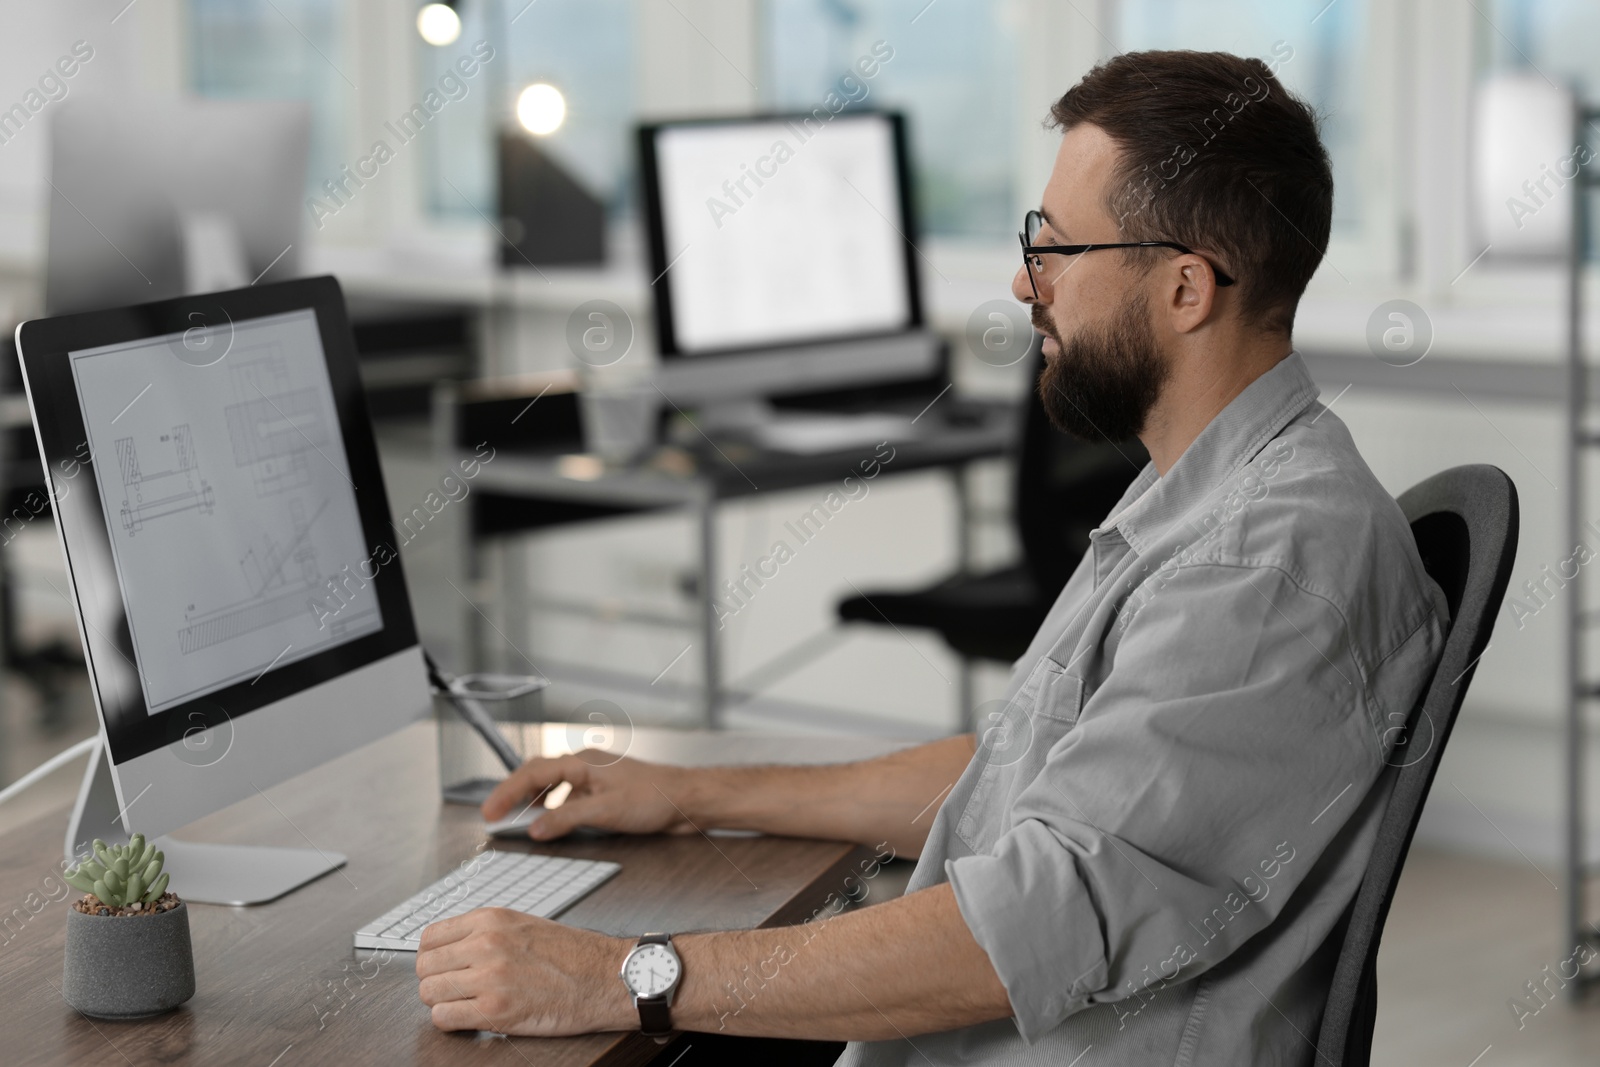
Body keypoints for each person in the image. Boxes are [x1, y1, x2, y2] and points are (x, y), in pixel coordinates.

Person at [415, 49, 1447, 1066]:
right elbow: (1009, 776)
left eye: (1056, 247)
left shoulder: (1258, 565)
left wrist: (620, 977)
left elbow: (1026, 929)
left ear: (1184, 289)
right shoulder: (1207, 493)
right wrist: (693, 793)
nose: (1022, 279)